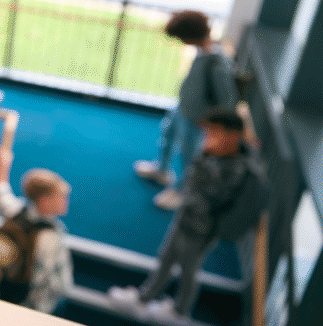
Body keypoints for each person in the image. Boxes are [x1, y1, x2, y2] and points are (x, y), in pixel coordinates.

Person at [109, 108, 258, 322]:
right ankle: (145, 298)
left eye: (214, 134)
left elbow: (211, 197)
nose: (209, 139)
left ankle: (180, 312)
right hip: (185, 220)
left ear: (232, 136)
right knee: (166, 260)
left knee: (188, 271)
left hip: (201, 230)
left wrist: (204, 159)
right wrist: (205, 156)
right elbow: (193, 180)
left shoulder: (236, 168)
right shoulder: (214, 155)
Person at [134, 10, 238, 209]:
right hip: (183, 108)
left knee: (190, 156)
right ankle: (162, 170)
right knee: (168, 134)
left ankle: (183, 191)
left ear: (190, 36)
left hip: (198, 117)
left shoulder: (217, 62)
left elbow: (227, 99)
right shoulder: (203, 51)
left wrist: (213, 124)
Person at [0, 145, 73, 315]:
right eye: (61, 197)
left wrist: (3, 165)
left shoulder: (18, 212)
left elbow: (0, 190)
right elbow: (55, 283)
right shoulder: (50, 237)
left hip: (5, 290)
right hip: (31, 307)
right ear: (45, 201)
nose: (65, 201)